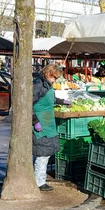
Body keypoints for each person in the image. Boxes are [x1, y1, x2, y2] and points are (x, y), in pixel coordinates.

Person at [32, 64, 63, 192]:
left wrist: (62, 101)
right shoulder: (38, 85)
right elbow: (28, 103)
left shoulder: (46, 85)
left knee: (45, 153)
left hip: (47, 122)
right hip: (40, 122)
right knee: (42, 154)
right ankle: (39, 182)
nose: (54, 80)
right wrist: (35, 121)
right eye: (53, 78)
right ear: (47, 74)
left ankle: (40, 179)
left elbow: (50, 99)